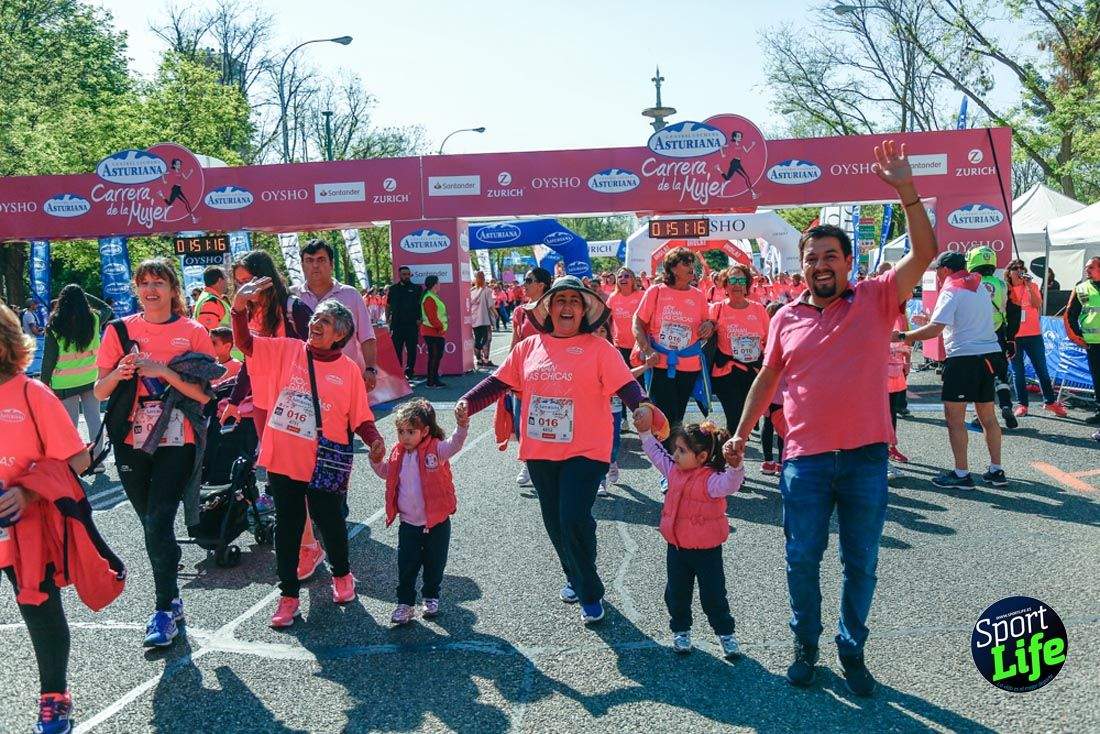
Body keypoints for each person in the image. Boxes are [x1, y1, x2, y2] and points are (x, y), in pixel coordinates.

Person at [730, 140, 936, 696]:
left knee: (861, 563)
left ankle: (852, 648)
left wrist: (906, 192)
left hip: (867, 457)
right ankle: (806, 644)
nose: (820, 265)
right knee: (801, 559)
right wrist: (741, 434)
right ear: (802, 266)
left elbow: (926, 252)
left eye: (830, 257)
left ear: (847, 262)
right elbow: (767, 378)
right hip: (805, 461)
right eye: (811, 258)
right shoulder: (785, 318)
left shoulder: (876, 298)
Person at [458, 276, 649, 625]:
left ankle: (590, 591)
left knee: (573, 517)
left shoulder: (599, 349)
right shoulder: (528, 348)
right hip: (541, 450)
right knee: (555, 522)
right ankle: (575, 573)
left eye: (574, 301)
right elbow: (498, 382)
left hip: (587, 449)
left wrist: (642, 406)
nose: (566, 307)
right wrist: (468, 402)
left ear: (584, 311)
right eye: (559, 300)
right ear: (548, 309)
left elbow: (627, 386)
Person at [231, 279, 383, 628]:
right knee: (287, 528)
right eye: (316, 318)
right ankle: (288, 597)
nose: (316, 324)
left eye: (325, 322)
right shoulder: (287, 349)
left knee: (330, 524)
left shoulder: (348, 371)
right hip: (284, 455)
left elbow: (360, 417)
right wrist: (239, 309)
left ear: (340, 336)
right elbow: (245, 344)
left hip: (324, 461)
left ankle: (342, 576)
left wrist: (374, 440)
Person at [94, 259, 217, 648]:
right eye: (144, 283)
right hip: (131, 438)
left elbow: (204, 395)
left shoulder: (193, 331)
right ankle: (172, 595)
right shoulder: (119, 330)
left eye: (159, 282)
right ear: (136, 288)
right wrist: (121, 373)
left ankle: (164, 608)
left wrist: (162, 371)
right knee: (152, 523)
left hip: (178, 438)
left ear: (172, 288)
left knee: (159, 516)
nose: (151, 289)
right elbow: (100, 391)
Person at [0, 303, 94, 734]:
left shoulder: (30, 392)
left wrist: (29, 489)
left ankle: (53, 696)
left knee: (35, 604)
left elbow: (79, 456)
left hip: (30, 527)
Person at [634, 413, 744, 658]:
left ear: (702, 457)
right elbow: (656, 454)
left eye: (682, 451)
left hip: (707, 551)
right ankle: (681, 630)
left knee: (714, 596)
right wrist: (644, 433)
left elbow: (731, 484)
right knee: (676, 593)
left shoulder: (712, 481)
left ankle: (726, 634)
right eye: (675, 449)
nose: (675, 455)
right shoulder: (673, 471)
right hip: (677, 548)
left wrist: (736, 466)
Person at [897, 251, 1007, 489]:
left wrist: (902, 336)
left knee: (954, 419)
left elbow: (935, 330)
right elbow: (962, 319)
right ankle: (996, 470)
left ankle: (961, 474)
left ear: (945, 270)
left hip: (964, 359)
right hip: (989, 355)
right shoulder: (980, 286)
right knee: (987, 416)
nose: (936, 275)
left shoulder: (951, 288)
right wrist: (928, 320)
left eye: (937, 270)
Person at [371, 398, 467, 625]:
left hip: (437, 523)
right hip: (409, 524)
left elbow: (454, 444)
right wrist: (375, 461)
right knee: (407, 565)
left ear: (424, 431)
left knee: (435, 564)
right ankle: (405, 603)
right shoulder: (397, 453)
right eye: (401, 431)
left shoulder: (436, 449)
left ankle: (431, 596)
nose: (405, 437)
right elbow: (387, 473)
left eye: (410, 431)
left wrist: (462, 426)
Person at [633, 248, 715, 433]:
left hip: (689, 366)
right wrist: (647, 350)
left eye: (691, 262)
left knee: (677, 416)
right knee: (663, 418)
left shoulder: (698, 295)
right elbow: (637, 322)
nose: (691, 267)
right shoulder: (656, 291)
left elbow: (707, 324)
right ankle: (667, 457)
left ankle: (672, 458)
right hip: (660, 363)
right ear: (672, 268)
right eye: (685, 263)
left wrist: (709, 326)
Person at [40, 284, 114, 468]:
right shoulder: (94, 319)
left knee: (70, 425)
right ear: (83, 301)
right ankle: (97, 461)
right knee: (93, 418)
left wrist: (43, 384)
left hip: (64, 382)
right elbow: (108, 309)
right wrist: (82, 293)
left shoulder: (54, 324)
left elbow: (48, 359)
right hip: (91, 378)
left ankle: (74, 464)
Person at [297, 239, 378, 392]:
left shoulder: (351, 295)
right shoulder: (293, 297)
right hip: (303, 378)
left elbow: (367, 336)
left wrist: (370, 369)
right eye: (309, 260)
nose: (315, 265)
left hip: (344, 378)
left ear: (331, 264)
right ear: (302, 266)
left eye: (321, 260)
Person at [709, 265, 769, 436]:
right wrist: (707, 326)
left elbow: (769, 340)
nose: (736, 285)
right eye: (732, 280)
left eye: (741, 280)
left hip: (753, 372)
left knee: (746, 418)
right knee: (734, 417)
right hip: (726, 372)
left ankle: (735, 454)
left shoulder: (758, 309)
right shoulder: (717, 309)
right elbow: (704, 331)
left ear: (747, 284)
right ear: (725, 285)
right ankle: (730, 458)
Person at [965, 246, 1018, 429]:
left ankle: (980, 416)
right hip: (998, 334)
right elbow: (1012, 311)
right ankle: (1006, 405)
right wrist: (1011, 339)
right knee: (1001, 374)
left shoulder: (970, 283)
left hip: (977, 334)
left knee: (979, 376)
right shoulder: (1002, 284)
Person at [1005, 260, 1065, 417]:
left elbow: (1037, 303)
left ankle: (1050, 402)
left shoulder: (1031, 286)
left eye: (1021, 268)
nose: (1019, 271)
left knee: (1042, 369)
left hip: (1033, 335)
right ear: (1009, 272)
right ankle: (1022, 405)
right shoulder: (1006, 289)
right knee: (1018, 371)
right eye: (1015, 268)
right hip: (1014, 336)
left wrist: (1030, 285)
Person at [1067, 256, 1100, 427]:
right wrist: (1078, 336)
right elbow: (1070, 315)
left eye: (1091, 267)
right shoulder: (1081, 289)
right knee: (1098, 378)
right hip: (1093, 343)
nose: (1086, 271)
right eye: (1086, 268)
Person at [387, 266, 423, 380]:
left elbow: (421, 305)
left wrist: (420, 318)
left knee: (412, 350)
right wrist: (387, 318)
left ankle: (410, 372)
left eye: (408, 274)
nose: (406, 276)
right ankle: (398, 373)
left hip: (412, 325)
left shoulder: (417, 288)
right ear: (399, 275)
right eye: (404, 274)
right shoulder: (393, 289)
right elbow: (388, 305)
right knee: (397, 350)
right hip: (397, 325)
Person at [606, 267, 644, 366]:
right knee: (623, 376)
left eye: (627, 276)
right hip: (620, 344)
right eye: (620, 277)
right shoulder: (613, 297)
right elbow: (605, 320)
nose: (623, 279)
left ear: (633, 279)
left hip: (639, 343)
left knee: (639, 378)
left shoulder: (642, 295)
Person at [420, 275, 448, 388]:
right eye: (439, 282)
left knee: (436, 356)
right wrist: (440, 327)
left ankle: (434, 379)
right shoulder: (429, 297)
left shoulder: (432, 296)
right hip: (432, 331)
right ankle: (431, 381)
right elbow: (432, 317)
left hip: (435, 331)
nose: (440, 284)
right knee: (434, 356)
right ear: (435, 284)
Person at [192, 266, 233, 332]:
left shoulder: (209, 297)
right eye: (226, 278)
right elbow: (209, 333)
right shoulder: (211, 301)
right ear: (220, 280)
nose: (228, 282)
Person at [470, 270, 496, 368]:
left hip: (474, 319)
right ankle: (486, 359)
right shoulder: (487, 290)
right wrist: (496, 314)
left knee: (477, 338)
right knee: (487, 339)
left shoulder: (471, 291)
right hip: (484, 319)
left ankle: (479, 359)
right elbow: (490, 305)